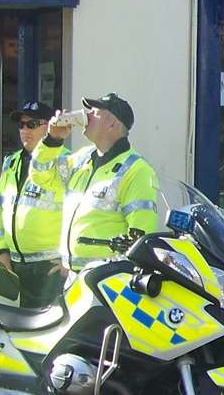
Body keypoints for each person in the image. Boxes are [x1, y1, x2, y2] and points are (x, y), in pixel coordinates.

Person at [38, 93, 160, 272]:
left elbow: (141, 238)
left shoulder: (137, 170)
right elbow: (42, 178)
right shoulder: (82, 159)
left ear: (112, 124)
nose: (86, 115)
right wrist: (52, 140)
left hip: (107, 280)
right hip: (74, 278)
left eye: (94, 112)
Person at [0, 101, 68, 307]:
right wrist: (1, 252)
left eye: (32, 124)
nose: (25, 130)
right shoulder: (11, 162)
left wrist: (70, 259)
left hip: (50, 267)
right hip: (13, 266)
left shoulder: (66, 162)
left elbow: (80, 211)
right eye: (21, 125)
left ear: (49, 126)